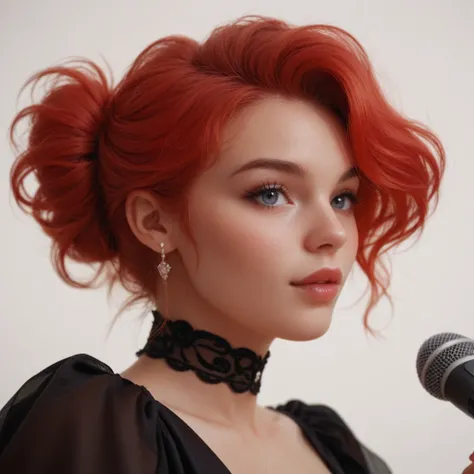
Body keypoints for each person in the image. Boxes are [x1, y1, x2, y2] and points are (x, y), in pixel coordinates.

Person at [0, 15, 446, 474]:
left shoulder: (336, 449)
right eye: (270, 193)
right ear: (154, 222)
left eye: (342, 197)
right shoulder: (94, 429)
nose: (332, 231)